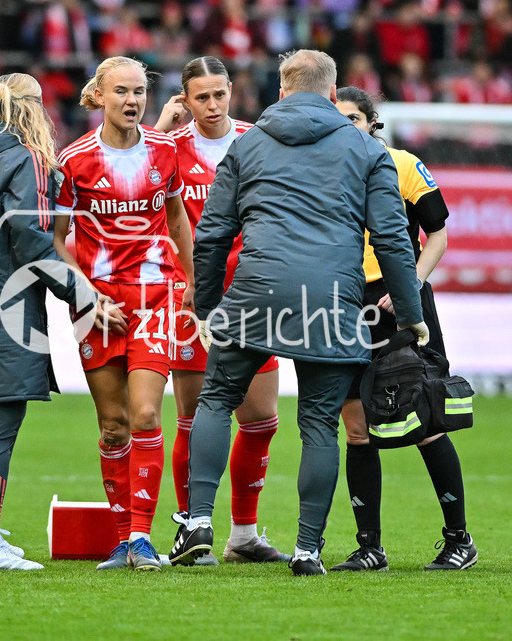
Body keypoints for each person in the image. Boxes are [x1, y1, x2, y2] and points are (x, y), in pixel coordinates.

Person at [168, 49, 428, 576]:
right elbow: (394, 239)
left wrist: (210, 304)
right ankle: (308, 550)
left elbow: (214, 233)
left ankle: (197, 521)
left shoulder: (248, 144)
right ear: (334, 95)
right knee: (316, 425)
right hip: (331, 299)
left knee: (216, 400)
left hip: (256, 292)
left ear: (281, 92)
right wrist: (410, 309)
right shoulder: (367, 149)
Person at [0, 73, 124, 571]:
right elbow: (31, 242)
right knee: (1, 423)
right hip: (4, 303)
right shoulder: (22, 159)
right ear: (33, 111)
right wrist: (86, 295)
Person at [54, 56, 196, 572]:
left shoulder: (165, 150)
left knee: (144, 416)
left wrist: (193, 280)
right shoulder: (74, 161)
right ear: (100, 96)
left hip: (156, 298)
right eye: (122, 92)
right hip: (99, 307)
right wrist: (88, 297)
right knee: (113, 426)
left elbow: (178, 219)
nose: (133, 101)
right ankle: (120, 540)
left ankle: (141, 537)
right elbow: (55, 242)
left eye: (140, 91)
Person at [331, 86, 478, 572]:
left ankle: (459, 539)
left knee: (424, 418)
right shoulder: (322, 173)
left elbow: (438, 233)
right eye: (337, 118)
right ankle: (369, 546)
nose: (346, 125)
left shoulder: (404, 165)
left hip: (400, 303)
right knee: (355, 427)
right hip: (345, 307)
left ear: (373, 122)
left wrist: (410, 283)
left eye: (354, 117)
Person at [152, 56, 287, 565]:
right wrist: (161, 130)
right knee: (193, 416)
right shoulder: (170, 149)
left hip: (253, 293)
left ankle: (244, 534)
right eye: (200, 97)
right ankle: (193, 530)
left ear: (232, 91)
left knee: (261, 419)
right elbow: (138, 182)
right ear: (184, 99)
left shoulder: (257, 139)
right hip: (190, 297)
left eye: (219, 95)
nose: (211, 106)